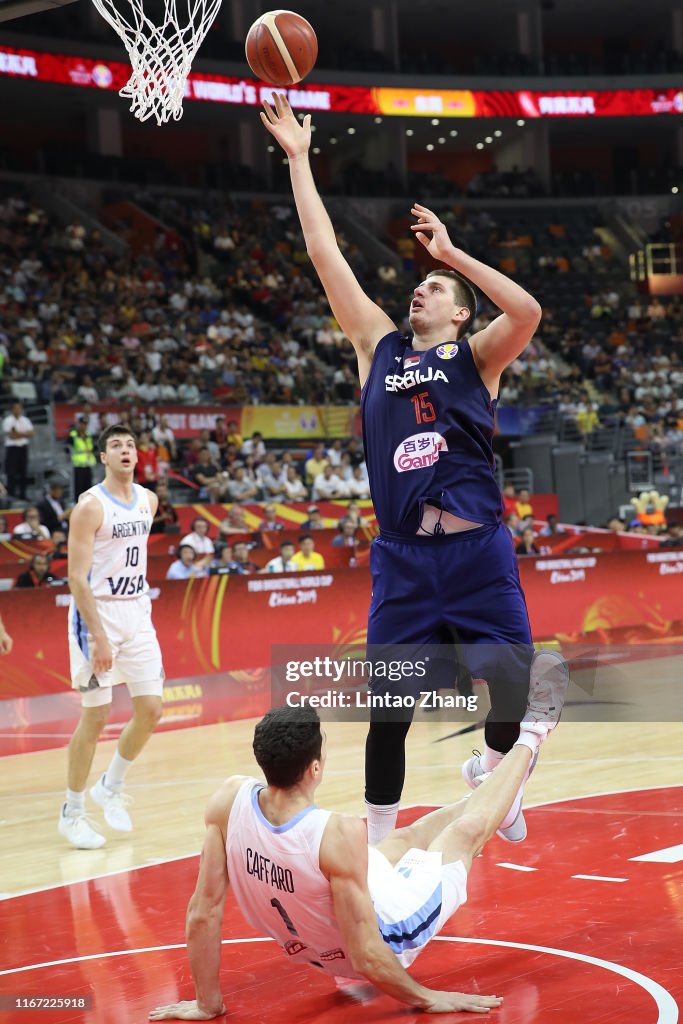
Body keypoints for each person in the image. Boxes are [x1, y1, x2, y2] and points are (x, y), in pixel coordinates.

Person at [260, 93, 543, 845]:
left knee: (515, 684)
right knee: (390, 710)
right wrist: (298, 161)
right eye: (420, 283)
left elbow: (525, 313)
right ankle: (381, 842)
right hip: (405, 558)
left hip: (477, 548)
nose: (419, 288)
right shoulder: (377, 347)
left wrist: (451, 255)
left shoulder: (476, 356)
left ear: (457, 314)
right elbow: (325, 255)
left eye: (436, 290)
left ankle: (489, 769)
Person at [149, 662, 569, 1021]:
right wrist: (429, 999)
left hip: (311, 946)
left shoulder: (228, 799)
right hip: (386, 938)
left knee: (405, 837)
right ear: (314, 769)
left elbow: (203, 913)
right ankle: (535, 731)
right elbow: (368, 953)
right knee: (463, 835)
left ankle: (491, 795)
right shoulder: (336, 833)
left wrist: (207, 1004)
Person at [58, 424, 164, 850]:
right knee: (96, 715)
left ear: (137, 456)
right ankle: (72, 811)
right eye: (115, 446)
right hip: (95, 614)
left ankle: (110, 785)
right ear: (102, 457)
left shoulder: (149, 500)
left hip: (137, 612)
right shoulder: (89, 507)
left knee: (152, 709)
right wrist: (99, 637)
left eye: (130, 445)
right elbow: (75, 579)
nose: (125, 450)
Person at [2, 399, 34, 500]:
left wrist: (18, 433)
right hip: (12, 449)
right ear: (12, 410)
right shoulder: (7, 420)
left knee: (23, 472)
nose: (18, 410)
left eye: (19, 408)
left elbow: (31, 433)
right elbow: (11, 435)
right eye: (16, 408)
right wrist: (24, 434)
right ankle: (11, 494)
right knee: (11, 472)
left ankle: (23, 494)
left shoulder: (25, 420)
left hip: (23, 448)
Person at [69, 415, 97, 500]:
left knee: (88, 487)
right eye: (82, 424)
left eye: (85, 424)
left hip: (88, 464)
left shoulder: (88, 435)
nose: (84, 426)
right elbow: (67, 448)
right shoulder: (73, 435)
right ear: (78, 424)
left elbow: (91, 448)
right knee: (79, 487)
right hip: (78, 465)